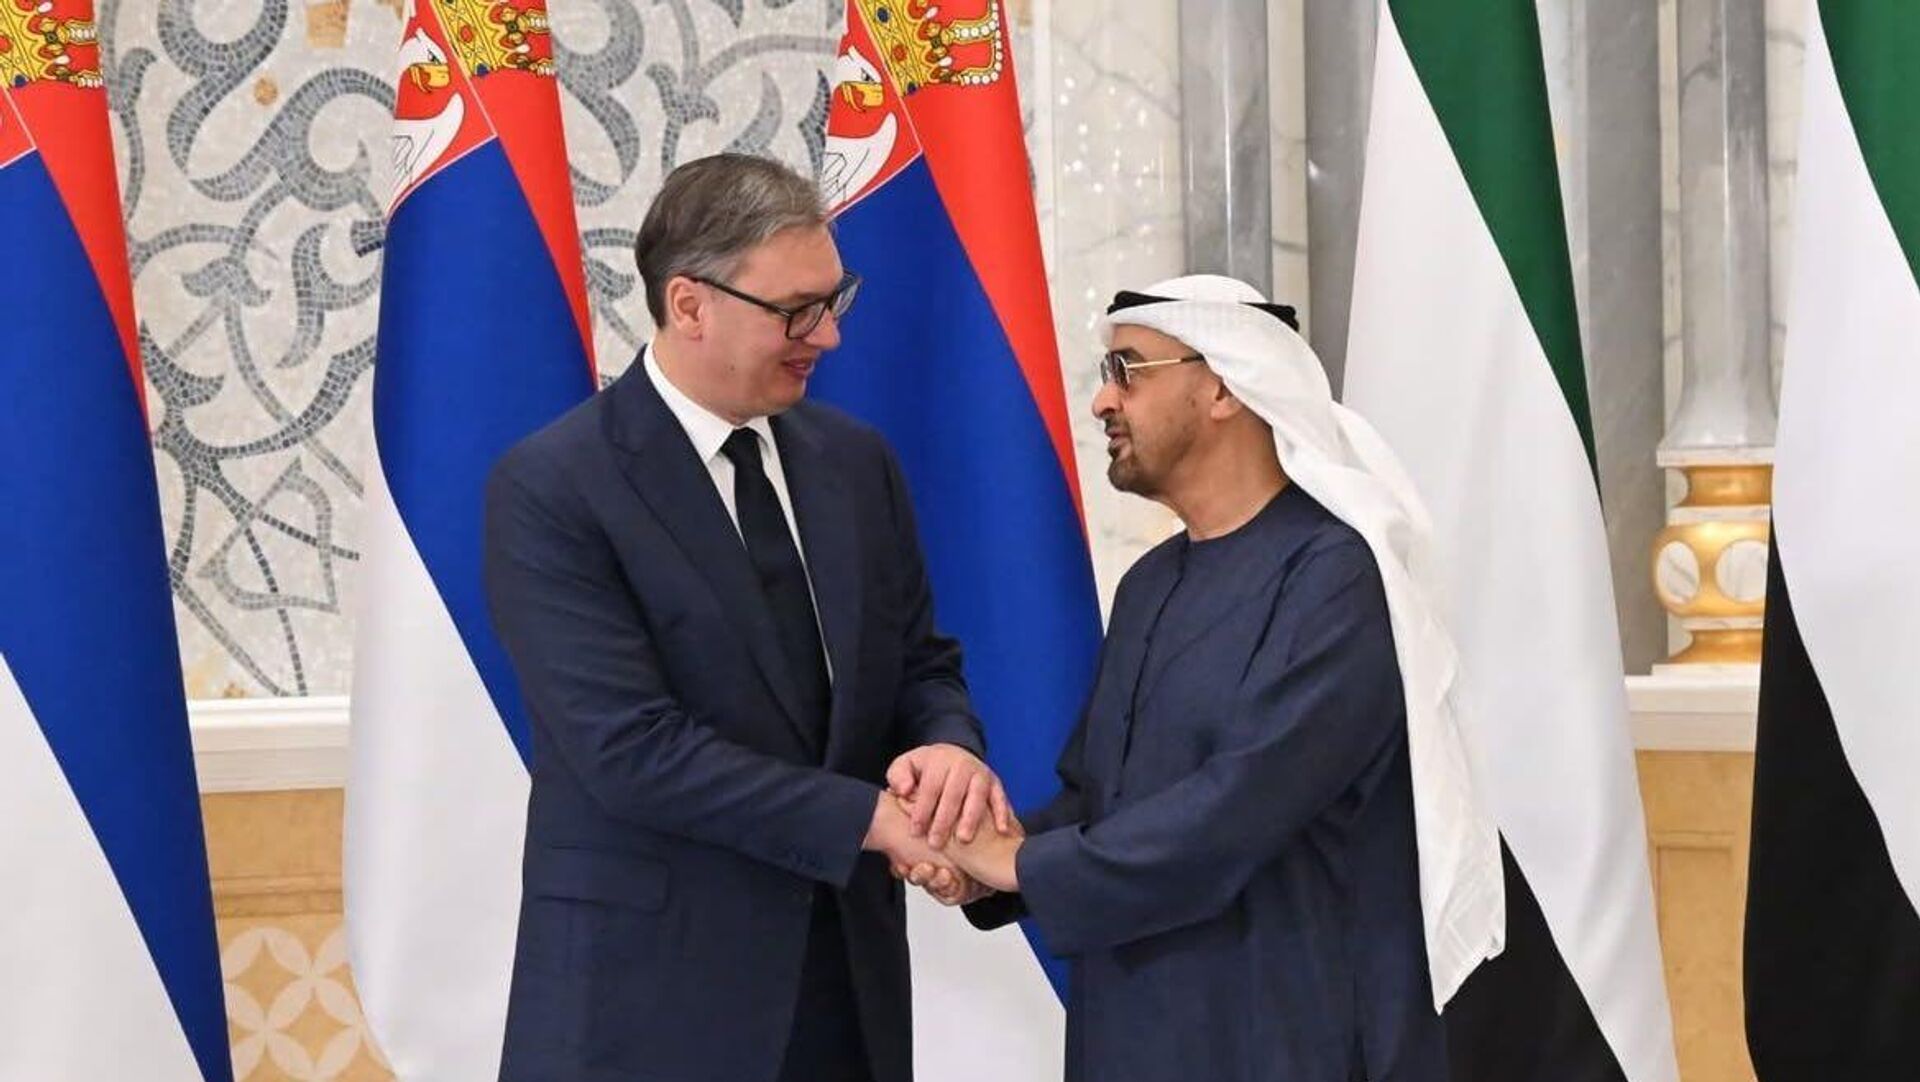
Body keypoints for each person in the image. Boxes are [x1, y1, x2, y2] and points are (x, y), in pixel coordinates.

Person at [484, 152, 1007, 1082]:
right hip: (649, 1002)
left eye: (834, 300)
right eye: (796, 310)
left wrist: (947, 752)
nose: (828, 336)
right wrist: (871, 819)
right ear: (689, 304)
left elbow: (920, 665)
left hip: (845, 987)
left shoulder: (857, 463)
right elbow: (629, 749)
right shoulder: (556, 486)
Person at [921, 275, 1506, 1082]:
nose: (1101, 402)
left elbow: (1236, 810)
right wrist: (974, 857)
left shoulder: (1338, 577)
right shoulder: (1150, 582)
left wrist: (1018, 866)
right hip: (1131, 1029)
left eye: (1128, 370)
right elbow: (1099, 797)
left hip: (1286, 1036)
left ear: (1225, 387)